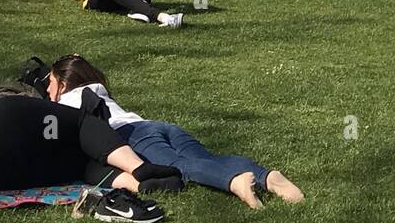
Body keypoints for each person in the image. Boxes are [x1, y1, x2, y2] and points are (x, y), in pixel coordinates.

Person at [0, 68, 176, 220]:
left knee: (77, 163)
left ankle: (132, 186)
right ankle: (140, 171)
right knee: (77, 124)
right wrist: (6, 108)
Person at [46, 55, 303, 207]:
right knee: (205, 159)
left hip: (129, 136)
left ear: (64, 84)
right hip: (156, 126)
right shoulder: (96, 88)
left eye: (50, 83)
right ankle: (266, 176)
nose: (47, 90)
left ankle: (235, 183)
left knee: (180, 166)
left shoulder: (68, 101)